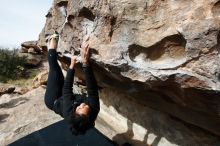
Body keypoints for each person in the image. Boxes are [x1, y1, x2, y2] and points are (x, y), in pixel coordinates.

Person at [44, 33, 100, 135]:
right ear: (90, 115)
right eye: (84, 107)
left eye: (78, 108)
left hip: (53, 100)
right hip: (65, 97)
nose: (82, 105)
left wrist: (71, 66)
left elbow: (67, 89)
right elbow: (92, 89)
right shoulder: (94, 109)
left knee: (54, 66)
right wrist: (85, 63)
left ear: (74, 112)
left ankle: (53, 37)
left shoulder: (68, 111)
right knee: (58, 72)